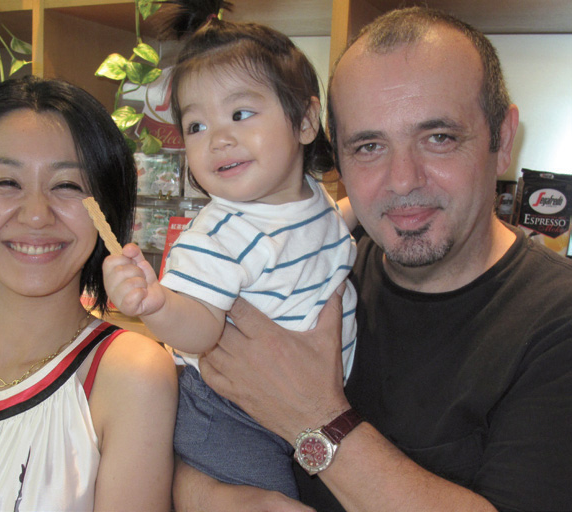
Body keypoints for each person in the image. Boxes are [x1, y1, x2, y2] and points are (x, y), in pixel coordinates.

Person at [172, 6, 572, 512]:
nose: (402, 180)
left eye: (439, 138)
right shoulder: (314, 265)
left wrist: (314, 417)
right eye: (368, 146)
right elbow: (194, 438)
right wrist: (214, 497)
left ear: (503, 139)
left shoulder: (556, 322)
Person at [102, 1, 358, 500]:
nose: (218, 139)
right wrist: (157, 304)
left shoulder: (308, 195)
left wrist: (362, 211)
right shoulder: (219, 235)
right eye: (196, 126)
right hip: (230, 415)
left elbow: (323, 229)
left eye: (240, 114)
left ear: (306, 121)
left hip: (298, 402)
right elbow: (201, 328)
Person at [0, 76, 178, 511]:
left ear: (105, 210)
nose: (36, 215)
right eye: (7, 182)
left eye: (67, 186)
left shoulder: (131, 375)